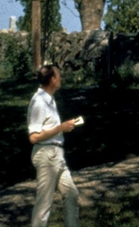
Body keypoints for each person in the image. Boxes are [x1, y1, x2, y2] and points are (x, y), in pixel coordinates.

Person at [27, 64, 80, 227]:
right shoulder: (39, 102)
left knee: (71, 194)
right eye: (59, 76)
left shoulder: (49, 100)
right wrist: (60, 128)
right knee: (43, 205)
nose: (61, 79)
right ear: (52, 79)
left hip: (57, 155)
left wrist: (63, 127)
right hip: (46, 155)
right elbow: (33, 137)